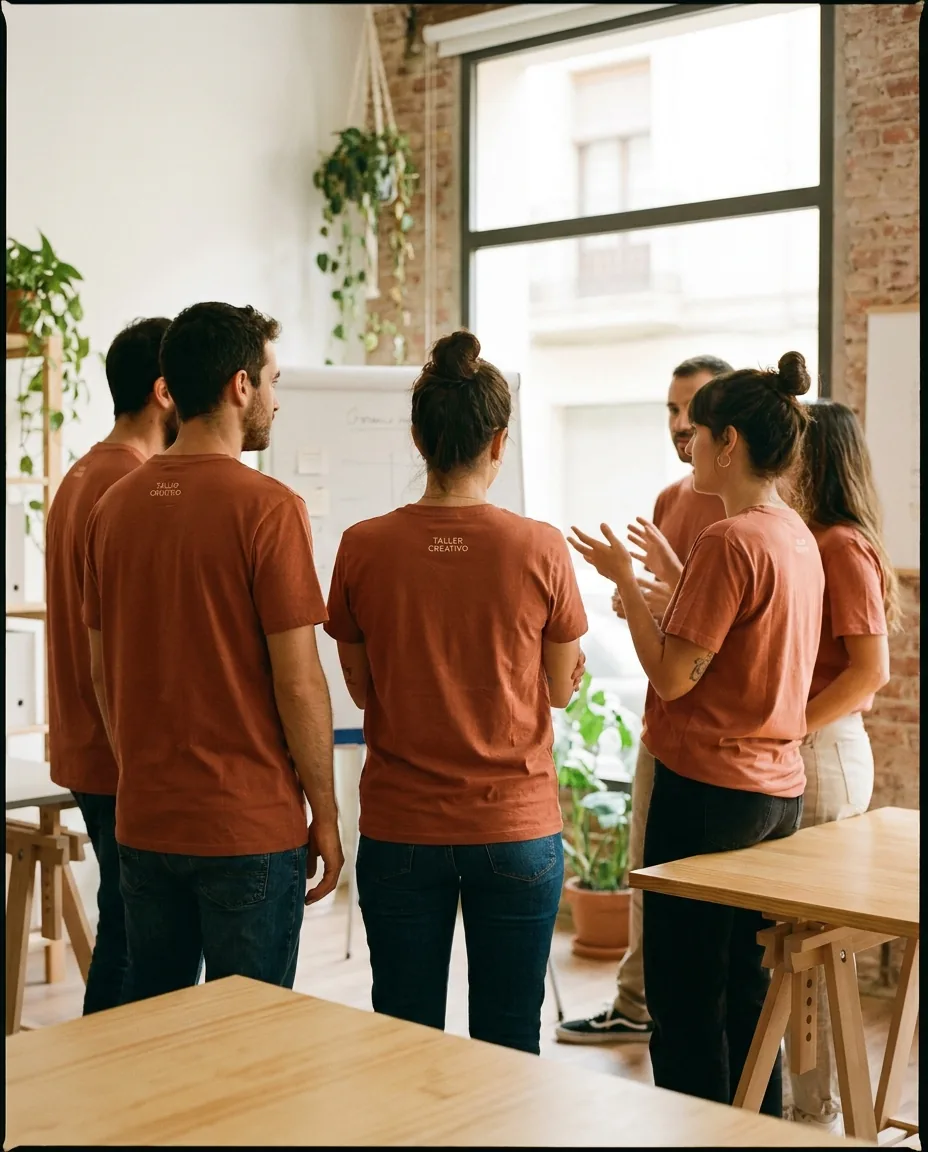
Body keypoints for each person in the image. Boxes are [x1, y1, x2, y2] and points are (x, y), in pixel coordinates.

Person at [568, 351, 824, 1117]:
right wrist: (674, 580)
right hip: (776, 792)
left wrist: (623, 584)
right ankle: (758, 1128)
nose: (687, 442)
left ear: (731, 442)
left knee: (683, 994)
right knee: (746, 988)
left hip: (710, 787)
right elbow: (740, 644)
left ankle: (691, 1132)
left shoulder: (730, 539)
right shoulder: (793, 535)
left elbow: (676, 676)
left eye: (698, 431)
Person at [325, 330, 588, 1056]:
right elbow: (563, 690)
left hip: (401, 826)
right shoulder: (539, 547)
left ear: (418, 436)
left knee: (405, 1035)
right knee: (507, 1040)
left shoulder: (362, 545)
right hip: (516, 827)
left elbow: (358, 684)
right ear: (499, 441)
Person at [82, 302, 343, 1003]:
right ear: (239, 386)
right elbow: (299, 684)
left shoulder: (113, 508)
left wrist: (139, 772)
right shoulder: (269, 508)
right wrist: (327, 810)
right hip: (247, 830)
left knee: (159, 1043)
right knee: (249, 1054)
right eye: (274, 380)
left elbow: (100, 672)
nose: (278, 400)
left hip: (145, 825)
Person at [556, 354, 731, 1045]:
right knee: (645, 874)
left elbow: (717, 625)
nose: (680, 424)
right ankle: (634, 1003)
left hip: (720, 740)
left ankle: (688, 1024)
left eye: (691, 410)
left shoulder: (748, 513)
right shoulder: (671, 499)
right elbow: (666, 620)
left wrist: (660, 596)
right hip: (664, 722)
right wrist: (637, 601)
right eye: (669, 409)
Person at [46, 316, 177, 1015]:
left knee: (125, 926)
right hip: (117, 750)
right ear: (164, 391)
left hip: (84, 741)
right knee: (131, 936)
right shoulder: (132, 485)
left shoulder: (80, 473)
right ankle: (107, 1101)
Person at [783, 399, 897, 1134]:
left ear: (818, 459)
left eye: (794, 449)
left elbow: (869, 673)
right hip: (814, 747)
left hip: (822, 749)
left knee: (811, 946)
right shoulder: (813, 539)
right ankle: (808, 1105)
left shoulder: (840, 546)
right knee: (799, 943)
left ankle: (815, 1113)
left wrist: (785, 727)